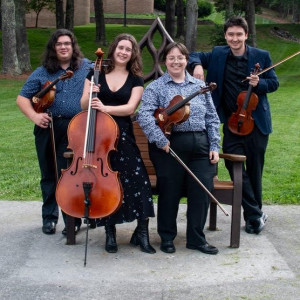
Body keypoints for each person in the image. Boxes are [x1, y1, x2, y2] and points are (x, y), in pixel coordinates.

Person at [188, 16, 279, 234]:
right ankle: (256, 212)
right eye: (231, 34)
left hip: (256, 122)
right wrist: (198, 65)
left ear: (246, 35)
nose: (234, 38)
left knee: (255, 170)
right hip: (231, 123)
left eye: (239, 34)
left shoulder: (261, 56)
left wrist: (260, 83)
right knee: (231, 163)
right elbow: (192, 55)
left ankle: (253, 217)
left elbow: (274, 83)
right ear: (226, 36)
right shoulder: (219, 53)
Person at [137, 42, 221, 255]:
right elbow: (144, 115)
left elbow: (212, 118)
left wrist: (214, 145)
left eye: (180, 57)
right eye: (171, 57)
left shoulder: (199, 86)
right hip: (168, 144)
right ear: (165, 61)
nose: (176, 61)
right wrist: (159, 139)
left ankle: (196, 238)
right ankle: (167, 237)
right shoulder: (156, 86)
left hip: (200, 145)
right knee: (169, 190)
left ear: (186, 60)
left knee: (201, 190)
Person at [80, 33, 156, 254]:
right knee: (106, 186)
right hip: (99, 138)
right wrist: (91, 94)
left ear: (133, 54)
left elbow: (131, 108)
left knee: (139, 182)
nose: (124, 52)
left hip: (122, 136)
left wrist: (105, 108)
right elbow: (84, 105)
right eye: (121, 47)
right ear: (113, 49)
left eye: (128, 49)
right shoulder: (95, 73)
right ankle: (110, 233)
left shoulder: (136, 79)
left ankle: (142, 233)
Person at [16, 29, 92, 235]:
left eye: (67, 43)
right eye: (59, 44)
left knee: (70, 174)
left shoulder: (86, 67)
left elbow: (107, 75)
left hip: (74, 128)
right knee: (49, 173)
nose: (64, 47)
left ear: (73, 46)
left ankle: (72, 219)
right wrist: (34, 116)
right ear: (53, 48)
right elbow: (22, 98)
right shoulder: (43, 71)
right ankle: (49, 218)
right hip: (47, 127)